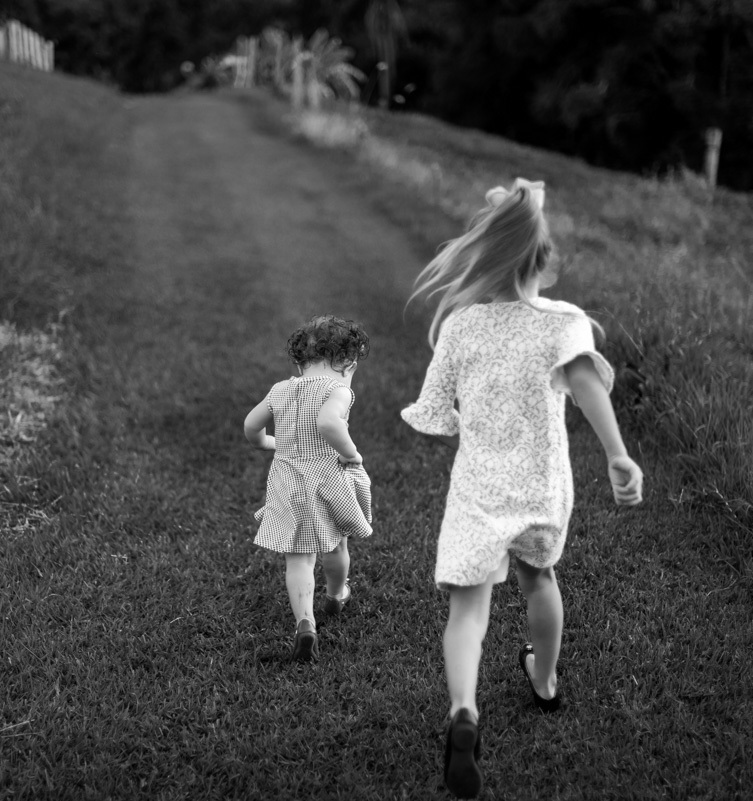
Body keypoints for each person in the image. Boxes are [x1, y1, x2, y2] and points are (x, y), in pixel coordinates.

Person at [401, 179, 644, 798]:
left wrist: (467, 421)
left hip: (480, 485)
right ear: (546, 262)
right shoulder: (563, 323)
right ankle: (544, 680)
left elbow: (435, 409)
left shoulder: (462, 326)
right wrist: (617, 455)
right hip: (542, 484)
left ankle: (464, 710)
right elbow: (587, 386)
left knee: (467, 610)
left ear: (483, 258)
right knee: (540, 579)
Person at [244, 315, 374, 662]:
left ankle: (305, 622)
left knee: (298, 557)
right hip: (328, 477)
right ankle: (335, 594)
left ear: (300, 363)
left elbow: (251, 426)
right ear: (348, 364)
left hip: (287, 479)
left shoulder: (280, 390)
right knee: (336, 543)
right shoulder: (338, 390)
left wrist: (268, 443)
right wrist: (351, 453)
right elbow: (328, 422)